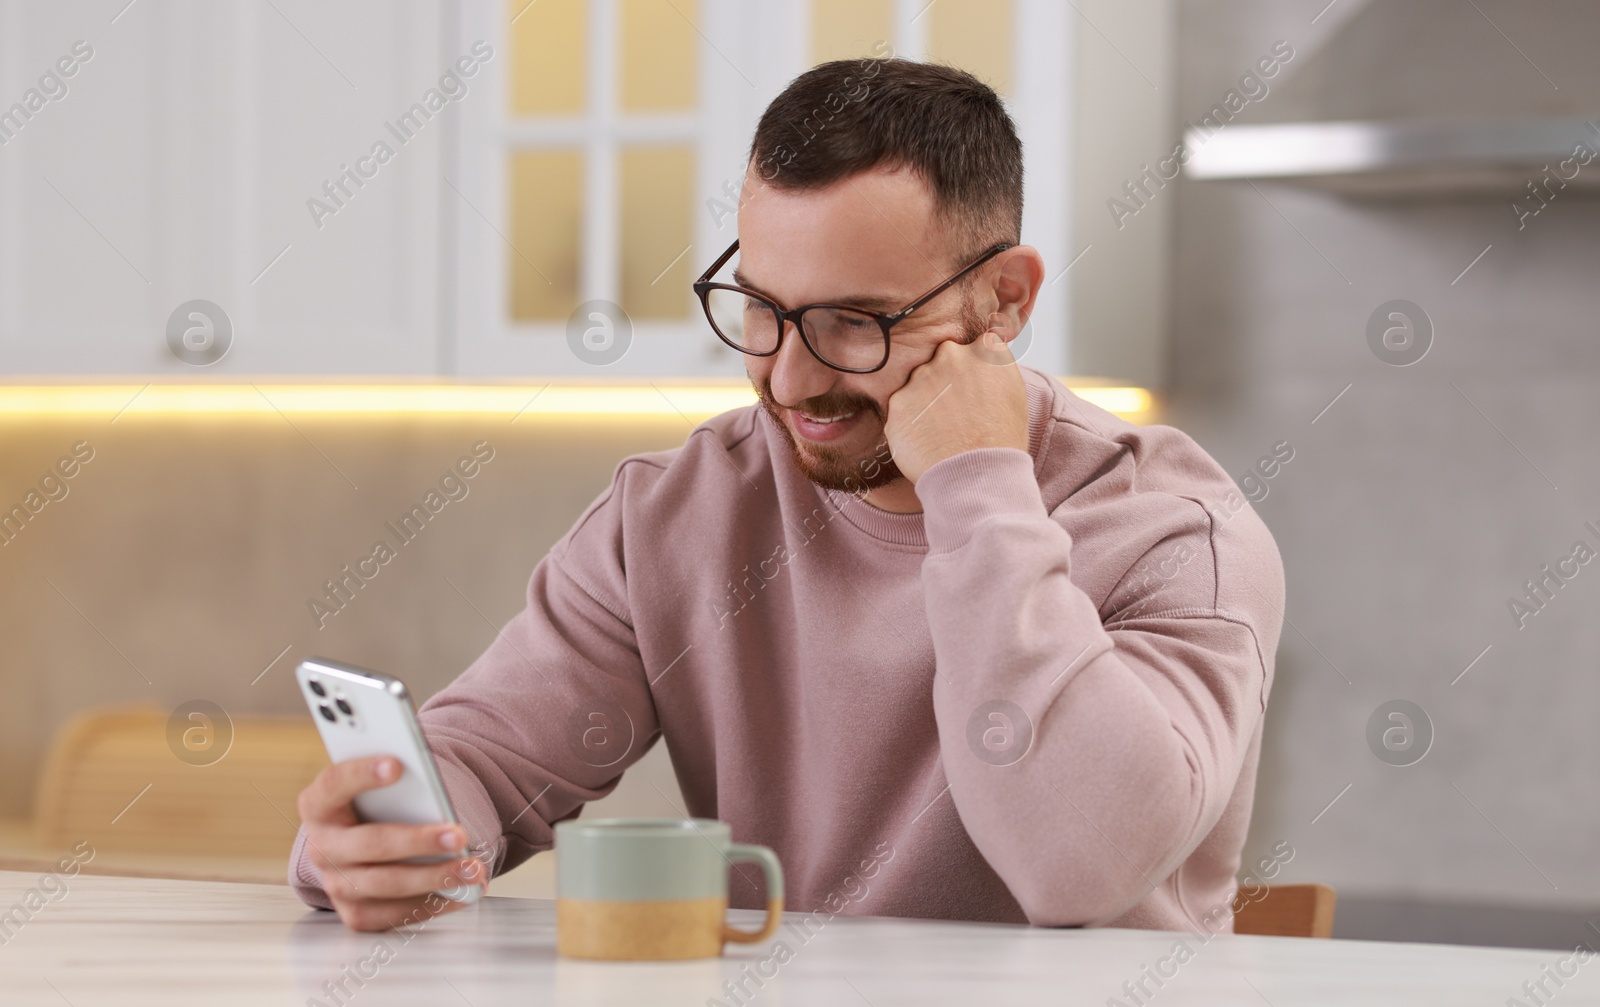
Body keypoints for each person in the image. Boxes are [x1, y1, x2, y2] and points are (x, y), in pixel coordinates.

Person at [290, 58, 1285, 935]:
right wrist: (388, 837)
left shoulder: (1170, 528)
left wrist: (974, 485)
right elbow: (491, 761)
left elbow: (1081, 867)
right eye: (762, 310)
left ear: (1004, 300)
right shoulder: (677, 515)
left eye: (853, 322)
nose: (792, 379)